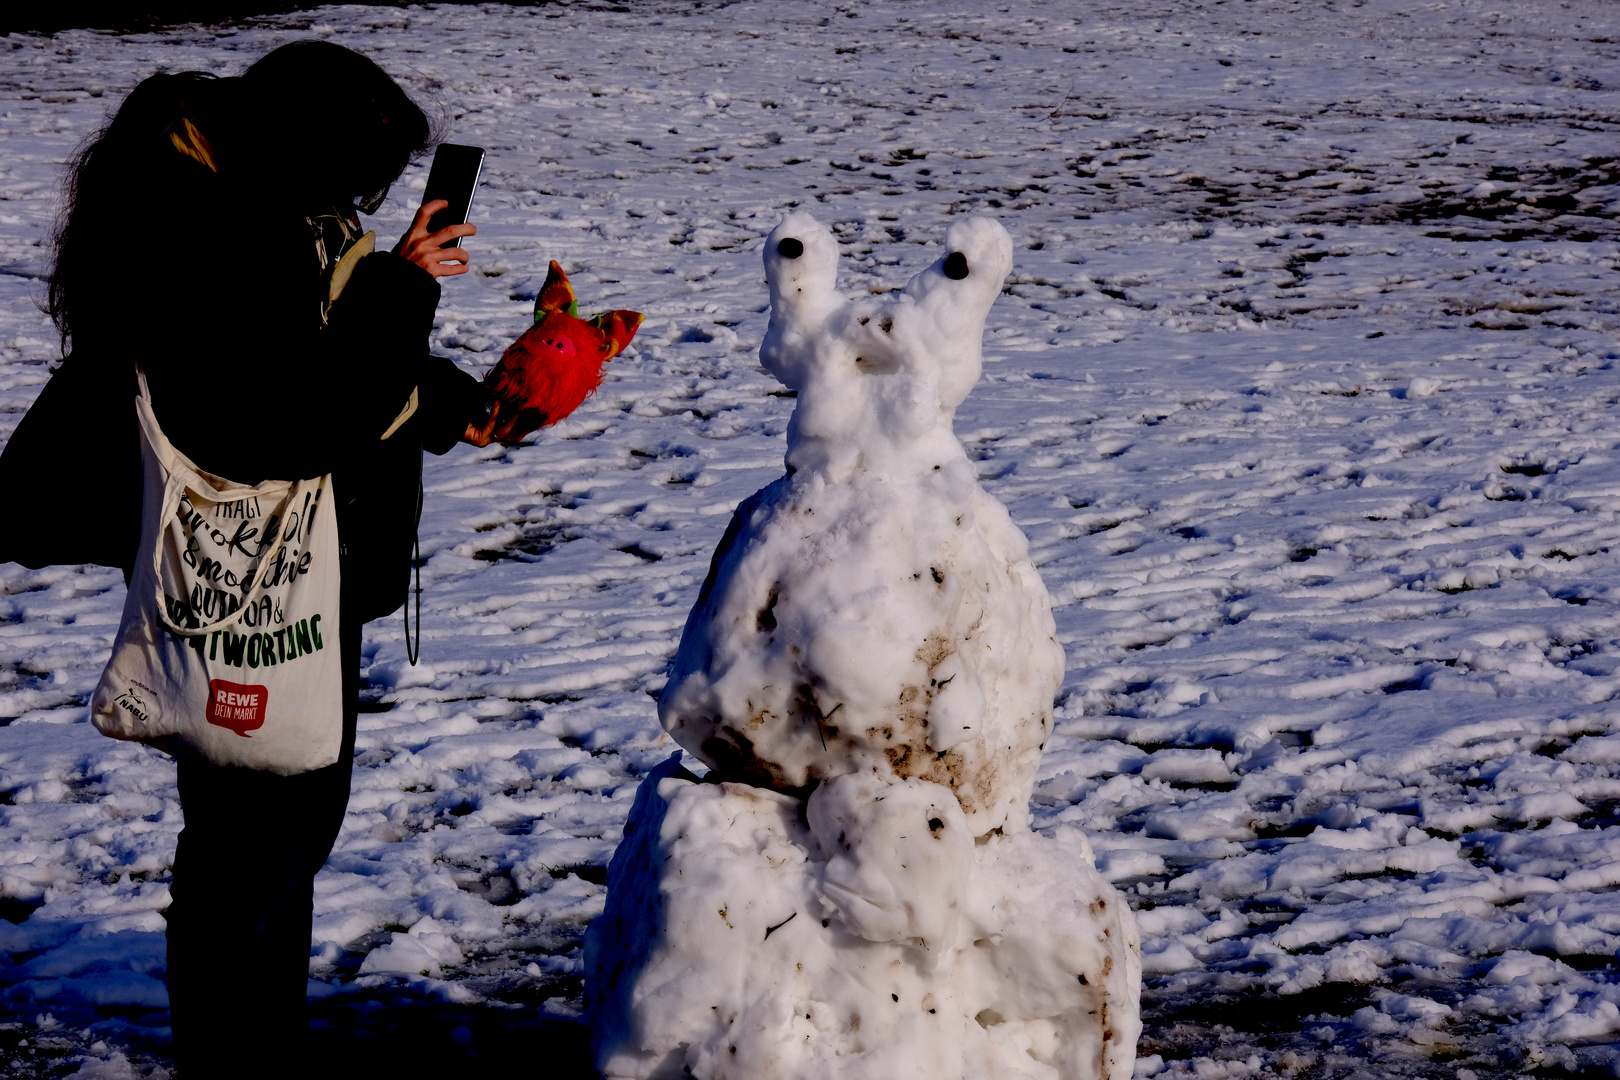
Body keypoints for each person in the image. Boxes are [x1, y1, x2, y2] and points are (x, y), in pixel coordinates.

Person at [0, 41, 518, 1074]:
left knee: (277, 847)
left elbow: (321, 351)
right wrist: (408, 287)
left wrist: (452, 399)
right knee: (252, 857)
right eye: (360, 172)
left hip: (292, 585)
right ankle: (230, 1055)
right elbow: (294, 418)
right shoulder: (209, 234)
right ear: (303, 145)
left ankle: (257, 1046)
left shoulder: (267, 211)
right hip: (249, 588)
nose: (368, 196)